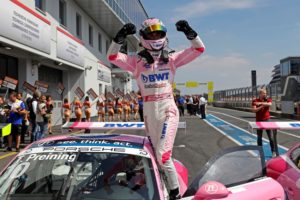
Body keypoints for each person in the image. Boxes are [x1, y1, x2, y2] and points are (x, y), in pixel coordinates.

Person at [107, 18, 205, 199]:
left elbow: (198, 49)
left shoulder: (172, 58)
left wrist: (189, 31)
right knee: (154, 155)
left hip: (168, 107)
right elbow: (112, 57)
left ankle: (176, 194)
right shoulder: (136, 61)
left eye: (158, 33)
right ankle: (161, 189)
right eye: (151, 33)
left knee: (164, 156)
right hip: (149, 111)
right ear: (143, 37)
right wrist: (119, 37)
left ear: (165, 35)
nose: (155, 36)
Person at [252, 88, 276, 157]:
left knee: (271, 137)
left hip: (267, 120)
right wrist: (262, 106)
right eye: (263, 93)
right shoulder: (255, 100)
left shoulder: (268, 99)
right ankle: (260, 152)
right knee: (259, 137)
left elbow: (270, 104)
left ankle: (273, 151)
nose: (265, 94)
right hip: (259, 120)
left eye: (265, 93)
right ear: (260, 94)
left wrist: (260, 103)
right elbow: (254, 110)